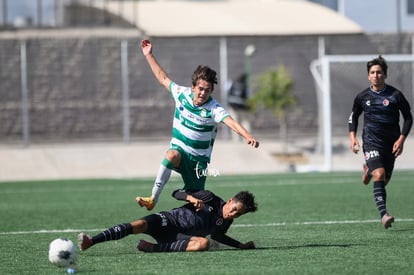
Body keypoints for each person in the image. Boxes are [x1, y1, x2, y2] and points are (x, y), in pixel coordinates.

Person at [136, 39, 259, 211]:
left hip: (198, 163)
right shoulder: (181, 94)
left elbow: (231, 122)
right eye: (200, 88)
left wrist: (247, 136)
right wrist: (149, 55)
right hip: (180, 153)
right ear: (193, 87)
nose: (203, 93)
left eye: (207, 90)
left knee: (198, 204)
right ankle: (152, 199)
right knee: (171, 154)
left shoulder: (213, 108)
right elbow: (162, 78)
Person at [78, 189, 257, 252]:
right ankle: (91, 241)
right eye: (234, 209)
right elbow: (176, 192)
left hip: (179, 238)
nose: (233, 214)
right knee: (139, 225)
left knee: (203, 244)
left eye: (238, 215)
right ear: (231, 201)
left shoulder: (226, 222)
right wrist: (190, 198)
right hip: (168, 220)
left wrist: (239, 245)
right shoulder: (209, 197)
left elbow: (218, 237)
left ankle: (154, 248)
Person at [348, 55, 412, 229]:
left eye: (379, 72)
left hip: (391, 144)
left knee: (383, 180)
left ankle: (368, 171)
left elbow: (408, 118)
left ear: (385, 75)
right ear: (368, 76)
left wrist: (401, 139)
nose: (376, 75)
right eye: (373, 72)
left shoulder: (395, 95)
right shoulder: (362, 97)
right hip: (371, 141)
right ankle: (384, 215)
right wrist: (352, 138)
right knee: (380, 174)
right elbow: (353, 118)